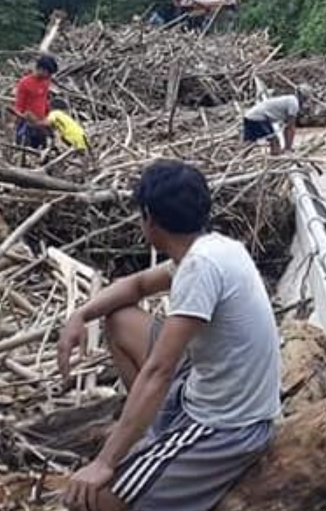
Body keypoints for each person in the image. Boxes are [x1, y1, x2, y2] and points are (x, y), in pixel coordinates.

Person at [57, 160, 280, 511]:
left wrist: (104, 462)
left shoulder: (200, 267)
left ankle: (154, 455)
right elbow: (137, 285)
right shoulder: (213, 248)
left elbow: (159, 371)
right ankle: (148, 438)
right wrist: (81, 314)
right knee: (118, 319)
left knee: (91, 499)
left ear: (149, 218)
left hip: (226, 427)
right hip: (207, 387)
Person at [242, 87, 307, 155]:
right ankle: (275, 160)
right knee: (274, 141)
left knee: (250, 142)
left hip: (249, 115)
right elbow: (290, 128)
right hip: (259, 118)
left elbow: (287, 127)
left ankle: (241, 158)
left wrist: (287, 146)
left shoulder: (290, 99)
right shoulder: (294, 103)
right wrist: (288, 148)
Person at [12, 54, 57, 149]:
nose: (49, 76)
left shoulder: (45, 82)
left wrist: (49, 116)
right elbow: (19, 106)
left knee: (43, 152)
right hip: (27, 125)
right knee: (27, 153)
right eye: (48, 73)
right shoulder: (25, 83)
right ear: (41, 69)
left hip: (41, 124)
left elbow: (44, 101)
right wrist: (21, 119)